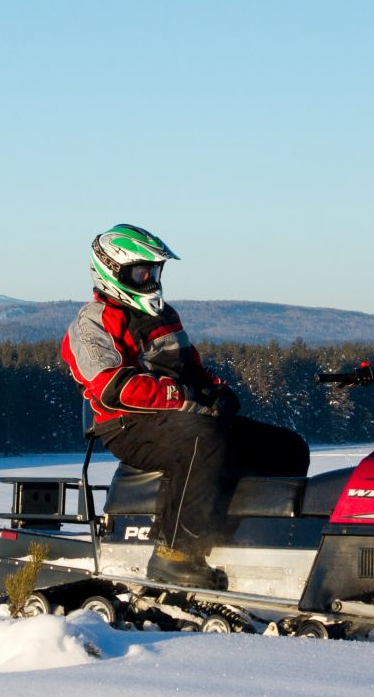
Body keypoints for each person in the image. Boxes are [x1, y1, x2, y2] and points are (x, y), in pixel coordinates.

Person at [61, 224, 310, 588]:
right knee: (202, 439)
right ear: (112, 270)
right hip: (128, 425)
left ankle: (255, 537)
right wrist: (180, 398)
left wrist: (216, 391)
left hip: (178, 416)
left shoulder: (164, 316)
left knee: (286, 446)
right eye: (141, 272)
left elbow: (190, 366)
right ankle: (174, 555)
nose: (150, 279)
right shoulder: (93, 323)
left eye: (153, 272)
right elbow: (110, 387)